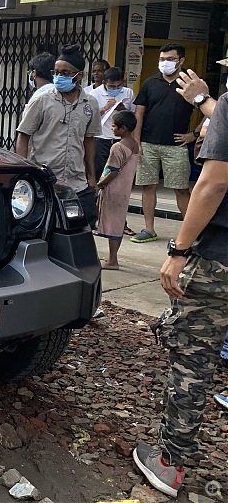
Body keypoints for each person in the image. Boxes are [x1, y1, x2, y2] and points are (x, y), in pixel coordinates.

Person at [132, 62, 228, 497]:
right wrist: (205, 103)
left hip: (218, 263)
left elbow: (212, 184)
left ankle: (170, 463)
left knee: (193, 362)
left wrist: (179, 250)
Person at [16, 44, 101, 229]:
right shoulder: (42, 100)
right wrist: (23, 173)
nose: (59, 77)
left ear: (80, 76)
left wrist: (91, 176)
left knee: (83, 226)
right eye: (57, 72)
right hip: (46, 180)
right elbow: (23, 136)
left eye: (66, 73)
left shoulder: (90, 103)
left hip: (77, 182)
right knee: (46, 228)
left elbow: (89, 140)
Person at [130, 43, 195, 243]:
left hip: (176, 146)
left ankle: (192, 233)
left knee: (182, 189)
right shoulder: (150, 83)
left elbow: (211, 109)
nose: (165, 63)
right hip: (148, 143)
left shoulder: (190, 84)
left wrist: (194, 134)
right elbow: (139, 113)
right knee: (148, 186)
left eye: (170, 59)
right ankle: (149, 229)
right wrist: (136, 141)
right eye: (162, 59)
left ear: (181, 61)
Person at [95, 110, 139, 270]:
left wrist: (100, 184)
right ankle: (112, 257)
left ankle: (113, 260)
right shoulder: (135, 145)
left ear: (124, 128)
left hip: (113, 188)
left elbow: (113, 170)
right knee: (119, 223)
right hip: (125, 189)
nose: (112, 128)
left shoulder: (117, 147)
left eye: (114, 126)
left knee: (112, 223)